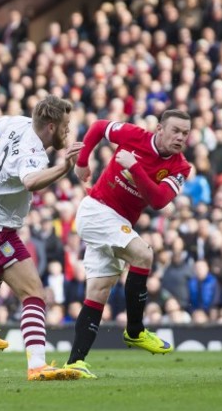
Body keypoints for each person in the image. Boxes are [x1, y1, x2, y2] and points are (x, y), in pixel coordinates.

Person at [0, 94, 84, 381]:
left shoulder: (19, 123)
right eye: (64, 125)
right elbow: (30, 181)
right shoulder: (34, 153)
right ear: (50, 126)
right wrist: (64, 168)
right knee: (33, 292)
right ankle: (37, 366)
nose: (67, 130)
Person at [63, 110, 192, 378]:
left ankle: (75, 362)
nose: (180, 137)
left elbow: (158, 201)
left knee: (99, 290)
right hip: (98, 210)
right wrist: (83, 163)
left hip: (117, 222)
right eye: (175, 130)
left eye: (185, 133)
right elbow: (98, 126)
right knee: (143, 255)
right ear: (159, 129)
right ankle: (135, 331)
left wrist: (133, 167)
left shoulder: (181, 167)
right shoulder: (135, 136)